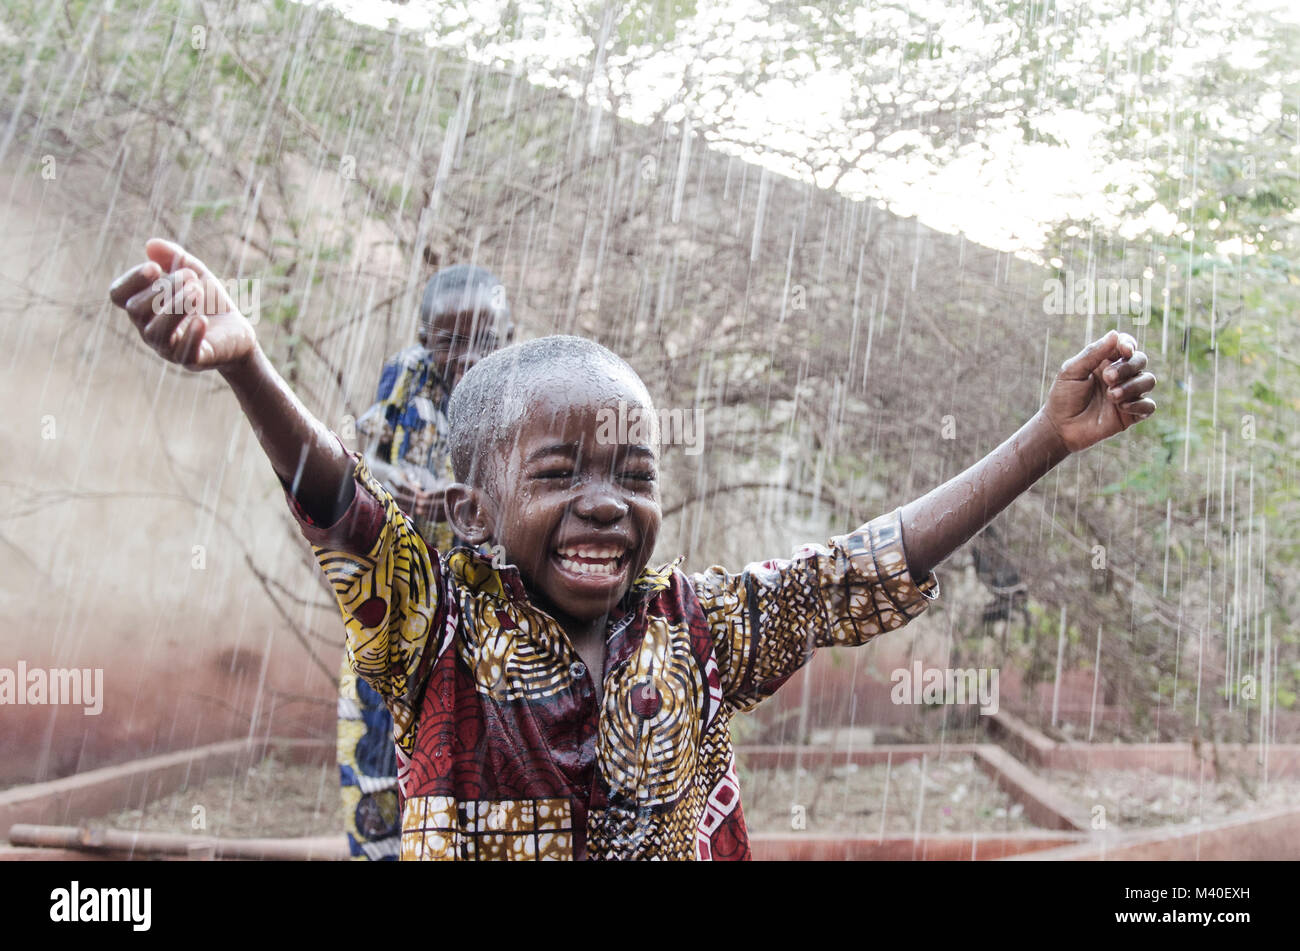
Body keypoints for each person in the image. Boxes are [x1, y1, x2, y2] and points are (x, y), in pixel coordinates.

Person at [108, 238, 1157, 860]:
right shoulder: (437, 624)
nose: (605, 506)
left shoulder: (698, 632)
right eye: (558, 477)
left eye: (633, 474)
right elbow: (342, 503)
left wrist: (1042, 439)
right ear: (469, 512)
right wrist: (246, 367)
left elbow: (857, 570)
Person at [339, 265, 511, 861]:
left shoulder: (524, 390)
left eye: (482, 340)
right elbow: (360, 458)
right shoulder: (406, 377)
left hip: (486, 618)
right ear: (424, 335)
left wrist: (475, 507)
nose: (465, 356)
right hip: (395, 606)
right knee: (379, 757)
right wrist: (404, 490)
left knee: (478, 766)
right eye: (449, 340)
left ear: (508, 335)